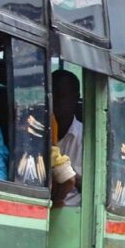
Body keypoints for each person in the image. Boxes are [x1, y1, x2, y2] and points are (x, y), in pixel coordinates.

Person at [52, 69, 83, 205]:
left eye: (61, 95)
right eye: (52, 95)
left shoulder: (85, 138)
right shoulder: (36, 130)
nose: (55, 101)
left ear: (75, 98)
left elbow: (71, 181)